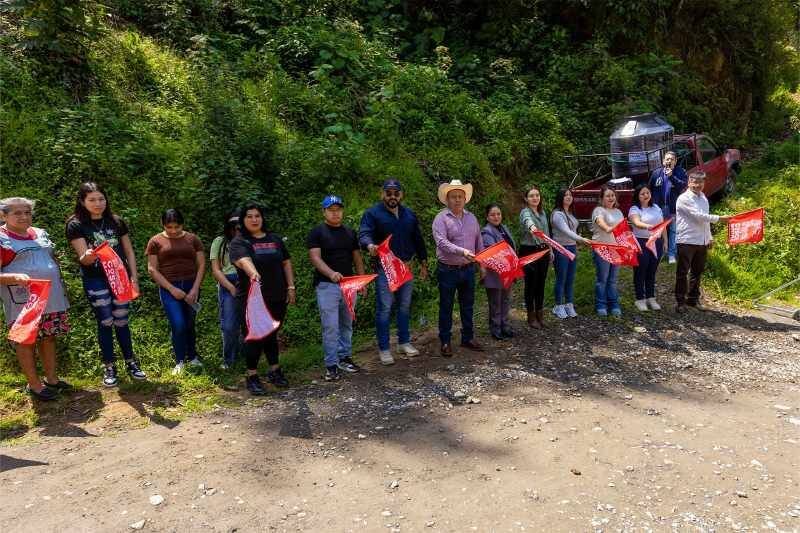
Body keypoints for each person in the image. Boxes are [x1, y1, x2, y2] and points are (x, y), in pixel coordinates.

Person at [66, 182, 146, 387]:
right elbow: (83, 258)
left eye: (101, 199)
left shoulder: (116, 221)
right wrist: (88, 255)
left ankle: (131, 362)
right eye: (92, 200)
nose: (97, 203)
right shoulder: (76, 224)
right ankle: (109, 366)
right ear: (82, 202)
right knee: (105, 321)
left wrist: (133, 278)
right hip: (96, 279)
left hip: (120, 278)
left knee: (121, 320)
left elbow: (128, 251)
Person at [1, 197, 70, 400]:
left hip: (51, 296)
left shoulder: (40, 233)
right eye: (17, 213)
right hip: (23, 301)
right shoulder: (1, 239)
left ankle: (52, 379)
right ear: (3, 215)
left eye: (27, 212)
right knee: (26, 340)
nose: (24, 216)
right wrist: (12, 277)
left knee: (49, 337)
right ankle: (35, 385)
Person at [358, 179, 428, 366]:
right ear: (382, 194)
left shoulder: (409, 215)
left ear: (401, 195)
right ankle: (384, 348)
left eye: (396, 193)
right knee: (385, 308)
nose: (392, 196)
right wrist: (370, 245)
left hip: (406, 266)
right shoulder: (372, 213)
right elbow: (364, 234)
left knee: (404, 305)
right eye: (388, 193)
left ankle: (404, 342)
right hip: (385, 268)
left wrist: (423, 261)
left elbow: (418, 239)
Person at [229, 203, 295, 395]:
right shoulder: (239, 242)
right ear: (243, 220)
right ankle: (252, 375)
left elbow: (286, 262)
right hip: (252, 299)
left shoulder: (275, 239)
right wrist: (254, 274)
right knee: (255, 336)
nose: (254, 219)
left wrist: (290, 286)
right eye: (249, 216)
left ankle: (274, 370)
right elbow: (243, 260)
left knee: (272, 333)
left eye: (257, 216)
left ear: (262, 218)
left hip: (277, 294)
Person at [308, 195, 366, 382]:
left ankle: (344, 357)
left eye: (338, 209)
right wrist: (331, 273)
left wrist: (361, 281)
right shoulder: (317, 232)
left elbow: (357, 257)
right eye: (331, 210)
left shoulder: (349, 232)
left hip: (349, 285)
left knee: (347, 323)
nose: (335, 213)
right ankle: (331, 365)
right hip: (327, 286)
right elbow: (315, 258)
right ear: (324, 211)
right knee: (330, 326)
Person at [145, 209, 206, 374]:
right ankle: (179, 361)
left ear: (182, 224)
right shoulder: (155, 241)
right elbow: (152, 269)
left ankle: (192, 357)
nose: (173, 230)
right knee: (178, 324)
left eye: (176, 226)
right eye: (169, 227)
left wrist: (195, 288)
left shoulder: (193, 239)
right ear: (163, 225)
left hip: (191, 286)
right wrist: (171, 289)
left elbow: (201, 264)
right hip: (168, 288)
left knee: (189, 324)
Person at [432, 179, 484, 357]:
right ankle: (445, 340)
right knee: (446, 306)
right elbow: (442, 243)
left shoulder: (472, 218)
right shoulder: (440, 218)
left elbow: (479, 243)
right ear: (447, 199)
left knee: (467, 305)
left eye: (460, 196)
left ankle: (468, 337)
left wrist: (482, 265)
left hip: (468, 269)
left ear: (465, 198)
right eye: (453, 196)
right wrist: (462, 251)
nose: (457, 199)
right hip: (448, 269)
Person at [674, 171, 730, 311]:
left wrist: (709, 237)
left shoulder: (703, 198)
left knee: (697, 272)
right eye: (695, 182)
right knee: (682, 272)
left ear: (704, 183)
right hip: (687, 239)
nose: (698, 185)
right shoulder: (683, 198)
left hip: (701, 240)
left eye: (701, 182)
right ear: (689, 182)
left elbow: (705, 221)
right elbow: (698, 216)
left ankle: (693, 299)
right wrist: (719, 218)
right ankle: (680, 302)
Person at [550, 188, 590, 319]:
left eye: (570, 195)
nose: (568, 197)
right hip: (561, 248)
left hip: (572, 247)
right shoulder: (557, 214)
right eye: (565, 195)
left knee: (570, 278)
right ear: (560, 198)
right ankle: (558, 305)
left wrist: (577, 240)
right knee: (561, 278)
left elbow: (573, 231)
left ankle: (569, 304)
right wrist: (581, 239)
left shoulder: (571, 213)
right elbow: (566, 231)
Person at [210, 210, 242, 369]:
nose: (236, 228)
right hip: (227, 280)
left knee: (248, 323)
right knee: (229, 325)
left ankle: (245, 356)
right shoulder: (220, 242)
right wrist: (229, 287)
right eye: (233, 225)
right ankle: (229, 359)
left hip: (247, 279)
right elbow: (216, 270)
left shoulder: (248, 239)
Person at [480, 204, 515, 340]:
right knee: (495, 302)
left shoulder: (503, 228)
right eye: (493, 214)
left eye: (498, 214)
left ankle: (504, 325)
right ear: (487, 217)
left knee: (505, 300)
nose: (496, 217)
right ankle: (495, 328)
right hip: (495, 272)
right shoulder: (486, 231)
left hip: (507, 272)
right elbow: (493, 252)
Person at [628, 184, 665, 311]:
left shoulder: (656, 207)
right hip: (641, 242)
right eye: (642, 193)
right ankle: (640, 299)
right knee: (640, 270)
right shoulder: (634, 209)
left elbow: (662, 224)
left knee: (652, 270)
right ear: (637, 196)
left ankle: (651, 297)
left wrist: (665, 241)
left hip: (657, 241)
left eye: (647, 193)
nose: (645, 195)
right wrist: (648, 227)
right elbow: (636, 222)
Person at [519, 185, 551, 328]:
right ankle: (531, 316)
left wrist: (551, 249)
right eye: (531, 196)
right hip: (529, 251)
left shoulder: (543, 213)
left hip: (543, 250)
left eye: (537, 195)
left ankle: (540, 314)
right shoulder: (525, 212)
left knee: (541, 283)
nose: (535, 198)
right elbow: (528, 222)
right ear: (526, 198)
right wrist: (533, 228)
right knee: (531, 284)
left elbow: (547, 234)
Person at [649, 151, 688, 264]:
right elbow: (649, 188)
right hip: (658, 208)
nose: (669, 161)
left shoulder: (680, 172)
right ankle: (661, 252)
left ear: (675, 162)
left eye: (671, 159)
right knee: (659, 230)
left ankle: (671, 254)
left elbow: (683, 185)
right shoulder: (656, 173)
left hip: (673, 207)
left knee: (673, 230)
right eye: (667, 159)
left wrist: (672, 177)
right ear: (663, 161)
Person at [591, 185, 625, 317]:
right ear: (602, 198)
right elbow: (604, 226)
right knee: (603, 279)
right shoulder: (598, 210)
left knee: (613, 280)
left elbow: (623, 233)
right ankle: (601, 305)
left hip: (617, 249)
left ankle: (614, 304)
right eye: (608, 196)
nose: (611, 198)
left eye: (612, 195)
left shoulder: (618, 212)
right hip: (602, 248)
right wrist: (613, 227)